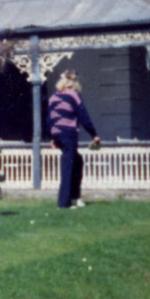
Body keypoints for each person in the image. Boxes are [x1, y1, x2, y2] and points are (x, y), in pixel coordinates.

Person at [47, 70, 100, 209]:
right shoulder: (74, 95)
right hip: (68, 133)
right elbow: (83, 116)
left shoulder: (53, 97)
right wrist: (94, 133)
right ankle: (64, 202)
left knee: (77, 161)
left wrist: (53, 137)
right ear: (73, 83)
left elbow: (49, 118)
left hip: (57, 134)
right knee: (68, 167)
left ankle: (75, 197)